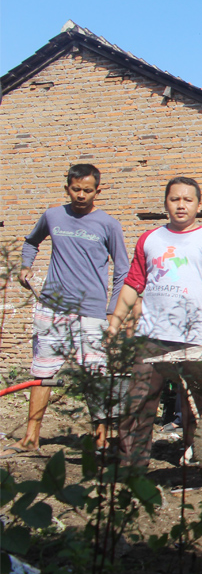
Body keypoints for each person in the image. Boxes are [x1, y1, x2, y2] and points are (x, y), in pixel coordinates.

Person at [1, 164, 129, 458]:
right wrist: (25, 266)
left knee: (96, 376)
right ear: (67, 188)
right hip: (52, 309)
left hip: (91, 312)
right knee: (42, 373)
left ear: (98, 191)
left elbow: (122, 269)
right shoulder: (53, 215)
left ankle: (101, 441)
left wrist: (112, 311)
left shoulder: (108, 224)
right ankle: (31, 439)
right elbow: (31, 242)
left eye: (87, 190)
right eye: (76, 189)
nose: (81, 195)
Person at [108, 176, 202, 471]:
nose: (181, 205)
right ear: (165, 203)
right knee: (139, 400)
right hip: (152, 334)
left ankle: (198, 458)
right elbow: (134, 283)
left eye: (188, 200)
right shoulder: (150, 239)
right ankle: (132, 463)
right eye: (175, 199)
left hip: (196, 335)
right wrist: (115, 321)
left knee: (197, 403)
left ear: (198, 206)